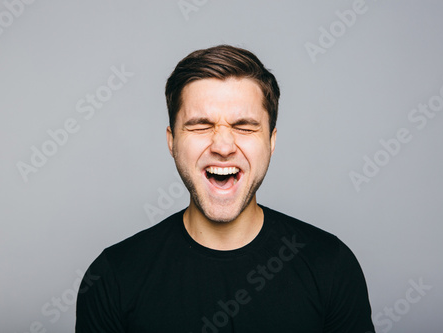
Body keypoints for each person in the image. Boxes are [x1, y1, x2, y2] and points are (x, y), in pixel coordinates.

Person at [75, 45, 375, 332]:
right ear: (171, 141)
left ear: (270, 142)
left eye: (244, 126)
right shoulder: (112, 277)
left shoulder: (331, 265)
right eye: (200, 126)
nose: (222, 146)